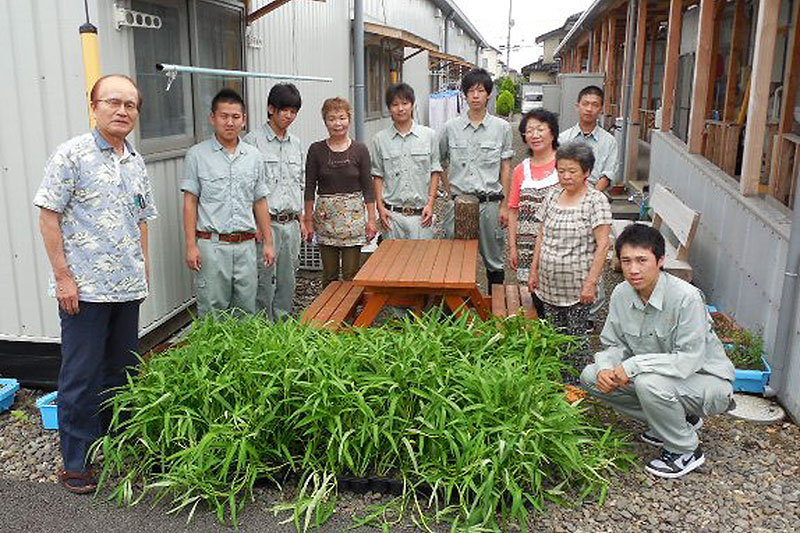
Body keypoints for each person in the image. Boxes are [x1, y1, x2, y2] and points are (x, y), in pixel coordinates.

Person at [34, 74, 157, 494]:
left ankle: (117, 446)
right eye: (113, 102)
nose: (122, 111)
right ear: (94, 106)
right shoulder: (72, 155)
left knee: (121, 373)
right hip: (83, 291)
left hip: (126, 287)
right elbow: (48, 217)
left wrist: (144, 271)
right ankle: (75, 463)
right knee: (81, 376)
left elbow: (141, 220)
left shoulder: (135, 160)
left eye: (130, 105)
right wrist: (63, 277)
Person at [580, 224, 736, 478]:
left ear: (660, 260)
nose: (633, 269)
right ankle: (671, 421)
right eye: (626, 261)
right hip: (662, 380)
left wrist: (633, 366)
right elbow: (613, 343)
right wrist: (606, 368)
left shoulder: (686, 298)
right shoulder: (621, 293)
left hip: (708, 381)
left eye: (642, 260)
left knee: (649, 383)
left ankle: (684, 450)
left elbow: (689, 360)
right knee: (591, 376)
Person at [181, 88, 275, 316]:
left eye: (235, 117)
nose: (230, 122)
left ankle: (243, 353)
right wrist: (191, 246)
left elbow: (260, 201)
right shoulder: (197, 155)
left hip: (246, 245)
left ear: (244, 120)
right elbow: (190, 203)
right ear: (212, 118)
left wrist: (269, 242)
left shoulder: (253, 156)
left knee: (246, 309)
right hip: (212, 246)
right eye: (224, 116)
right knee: (213, 310)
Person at [439, 68, 514, 291]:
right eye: (470, 91)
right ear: (464, 94)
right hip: (459, 203)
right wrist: (448, 192)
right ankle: (455, 309)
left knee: (494, 260)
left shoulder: (502, 128)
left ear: (488, 94)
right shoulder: (450, 128)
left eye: (480, 90)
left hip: (490, 203)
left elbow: (506, 167)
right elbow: (439, 162)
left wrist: (505, 205)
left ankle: (495, 309)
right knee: (455, 257)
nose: (475, 95)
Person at [528, 142, 611, 335]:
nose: (566, 176)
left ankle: (578, 367)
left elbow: (603, 245)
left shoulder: (595, 200)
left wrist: (590, 284)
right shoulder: (552, 195)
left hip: (578, 288)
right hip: (549, 285)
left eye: (572, 171)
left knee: (575, 342)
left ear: (587, 172)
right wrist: (534, 270)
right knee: (553, 338)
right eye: (561, 171)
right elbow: (541, 235)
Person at [243, 83, 305, 320]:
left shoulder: (296, 143)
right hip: (266, 224)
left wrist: (302, 219)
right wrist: (256, 225)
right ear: (271, 109)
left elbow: (299, 182)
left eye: (294, 111)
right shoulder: (252, 142)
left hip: (291, 224)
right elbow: (246, 188)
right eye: (284, 110)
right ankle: (261, 330)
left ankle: (282, 326)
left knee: (288, 279)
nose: (289, 116)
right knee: (263, 279)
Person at [304, 97, 377, 285]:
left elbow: (368, 187)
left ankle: (350, 313)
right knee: (329, 274)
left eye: (342, 118)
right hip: (326, 219)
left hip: (353, 221)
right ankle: (328, 312)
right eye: (332, 118)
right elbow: (310, 186)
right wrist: (308, 220)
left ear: (349, 119)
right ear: (325, 121)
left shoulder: (360, 150)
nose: (338, 123)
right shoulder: (316, 150)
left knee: (351, 274)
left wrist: (371, 220)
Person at [370, 83, 441, 239]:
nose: (400, 109)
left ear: (412, 105)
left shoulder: (429, 136)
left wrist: (430, 203)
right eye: (395, 105)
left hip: (421, 215)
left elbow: (435, 171)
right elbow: (377, 176)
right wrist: (380, 208)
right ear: (389, 108)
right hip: (392, 216)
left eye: (405, 103)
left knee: (422, 261)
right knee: (393, 262)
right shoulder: (379, 140)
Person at [508, 109, 560, 313]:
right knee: (530, 299)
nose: (535, 135)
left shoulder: (564, 164)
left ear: (552, 133)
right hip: (526, 246)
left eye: (540, 129)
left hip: (556, 246)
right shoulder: (521, 169)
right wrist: (513, 246)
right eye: (529, 131)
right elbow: (513, 209)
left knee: (556, 298)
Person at [558, 85, 617, 192]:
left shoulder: (609, 141)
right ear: (577, 106)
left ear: (601, 109)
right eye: (585, 104)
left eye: (595, 105)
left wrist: (590, 198)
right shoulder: (563, 139)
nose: (589, 109)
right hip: (566, 195)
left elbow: (608, 174)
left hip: (596, 197)